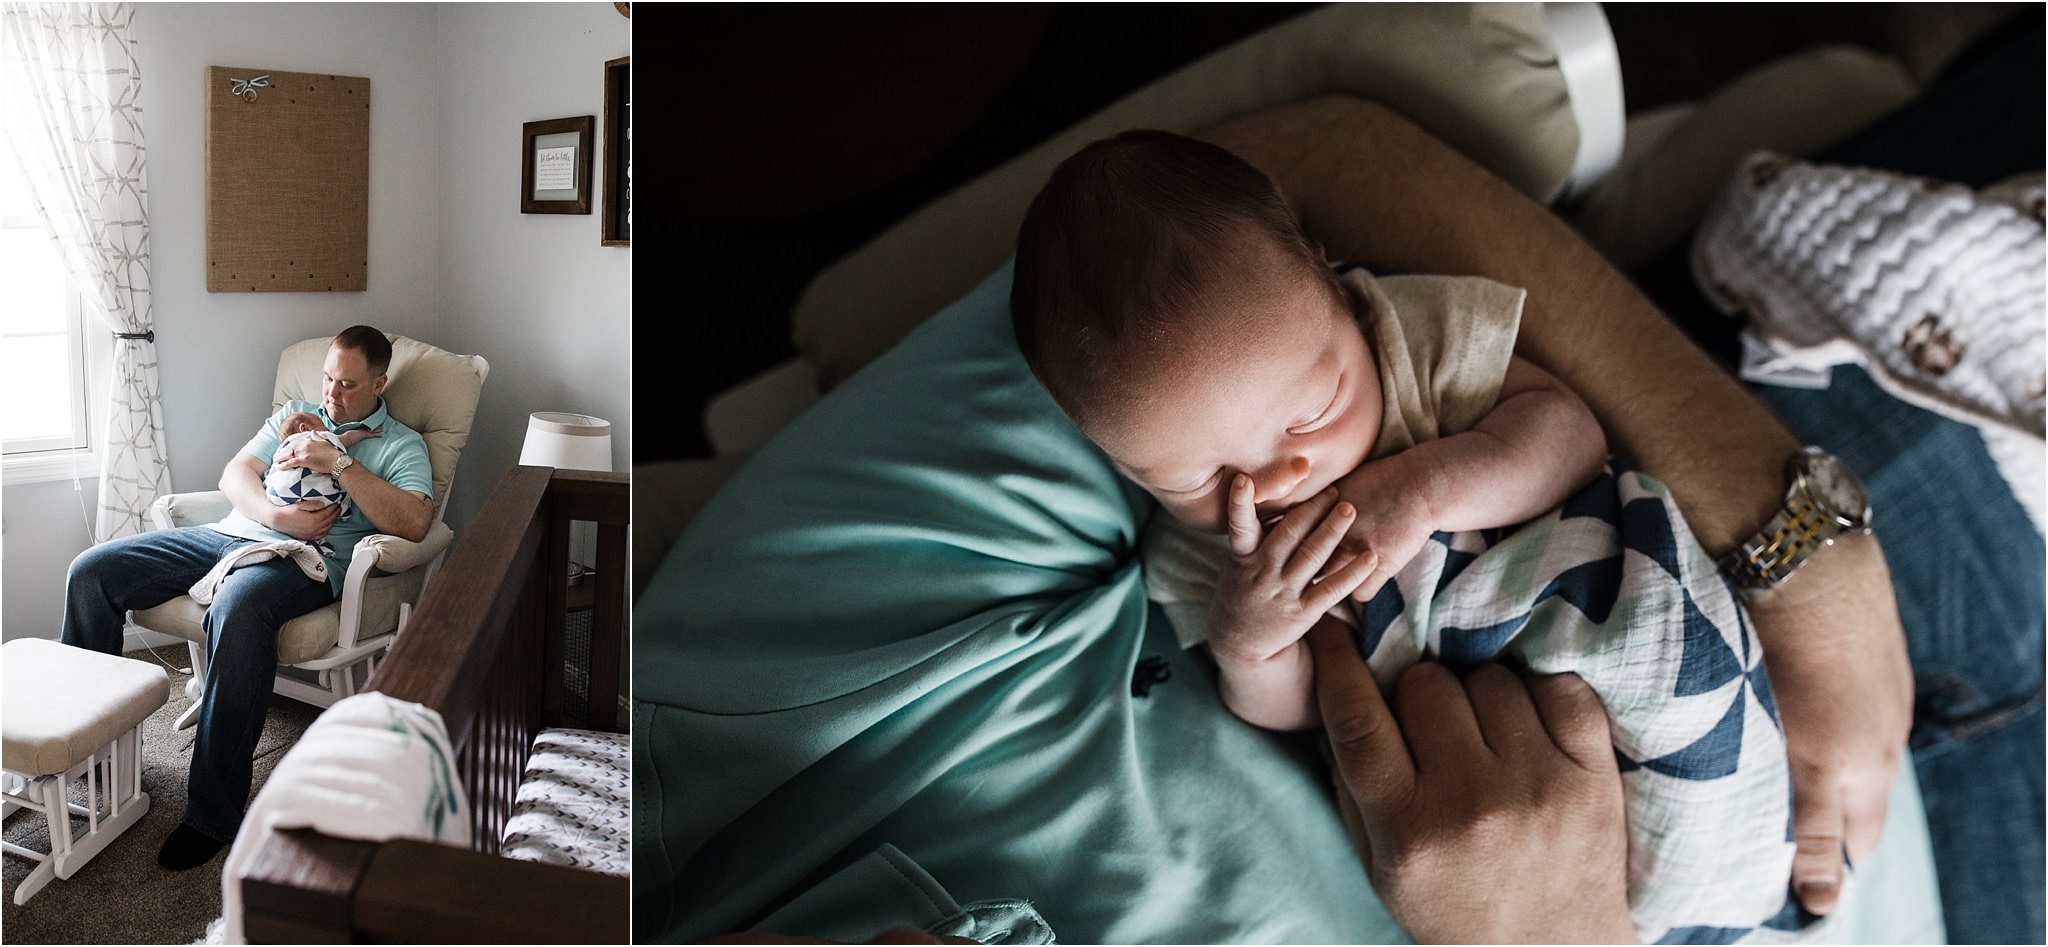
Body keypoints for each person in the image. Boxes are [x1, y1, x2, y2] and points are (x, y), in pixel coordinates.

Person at [1009, 129, 1812, 940]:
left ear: (1340, 292)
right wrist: (1252, 643)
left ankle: (1737, 888)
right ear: (1132, 470)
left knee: (1694, 740)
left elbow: (1570, 438)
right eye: (1204, 479)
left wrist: (1426, 488)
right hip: (1472, 768)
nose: (1282, 480)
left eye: (1311, 414)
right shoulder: (1205, 558)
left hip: (1581, 625)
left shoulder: (1413, 340)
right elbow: (1302, 714)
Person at [61, 325, 434, 870]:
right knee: (92, 571)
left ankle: (212, 813)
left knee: (238, 607)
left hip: (305, 561)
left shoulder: (402, 444)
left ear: (379, 382)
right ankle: (87, 750)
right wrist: (275, 515)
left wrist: (342, 466)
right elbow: (236, 474)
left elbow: (416, 521)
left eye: (348, 385)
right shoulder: (300, 412)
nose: (332, 395)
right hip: (232, 534)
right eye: (328, 378)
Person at [264, 410, 382, 541]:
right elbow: (348, 438)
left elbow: (273, 471)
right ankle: (342, 510)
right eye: (321, 424)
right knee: (335, 491)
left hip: (278, 496)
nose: (327, 428)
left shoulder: (282, 449)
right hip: (317, 497)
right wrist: (364, 433)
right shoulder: (317, 437)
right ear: (304, 428)